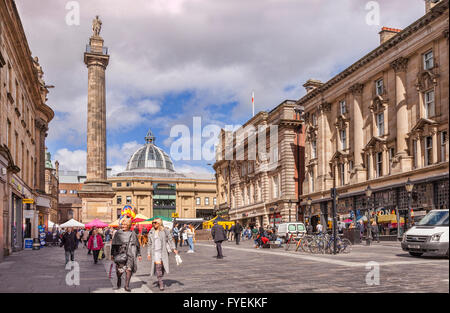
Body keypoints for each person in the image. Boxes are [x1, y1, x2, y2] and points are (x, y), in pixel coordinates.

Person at [111, 206, 142, 292]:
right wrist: (112, 254)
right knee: (120, 271)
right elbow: (113, 245)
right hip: (120, 253)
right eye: (123, 224)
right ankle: (119, 279)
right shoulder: (118, 233)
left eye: (125, 225)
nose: (124, 226)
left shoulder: (133, 233)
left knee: (129, 269)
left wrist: (139, 254)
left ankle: (126, 285)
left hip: (130, 253)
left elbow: (137, 244)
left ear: (129, 225)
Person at [147, 218, 179, 291]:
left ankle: (159, 278)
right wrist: (148, 253)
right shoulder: (151, 232)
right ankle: (161, 283)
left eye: (155, 222)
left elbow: (170, 240)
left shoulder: (165, 231)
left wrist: (174, 248)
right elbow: (149, 244)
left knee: (162, 267)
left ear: (159, 223)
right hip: (155, 252)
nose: (153, 224)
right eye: (153, 223)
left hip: (163, 251)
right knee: (158, 267)